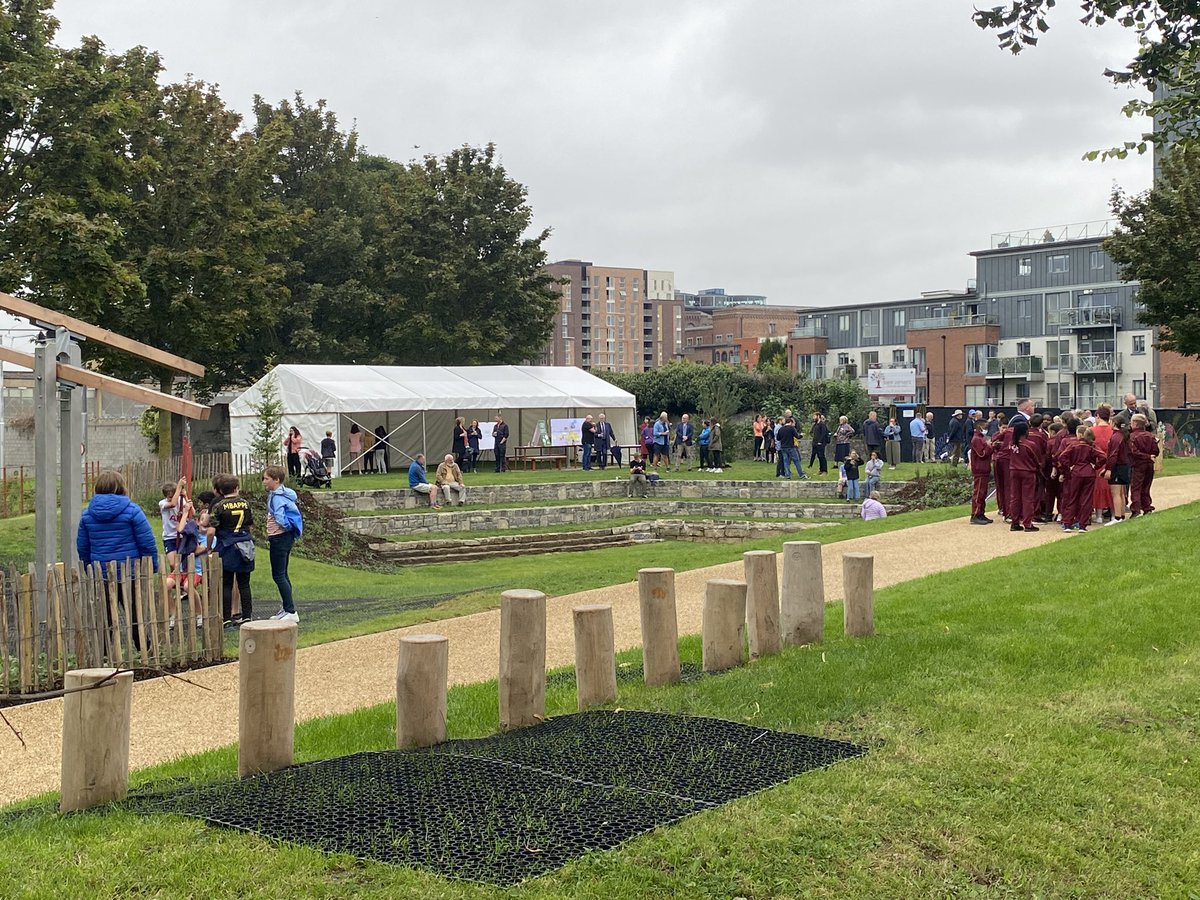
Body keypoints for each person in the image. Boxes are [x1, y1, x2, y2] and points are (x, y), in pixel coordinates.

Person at [77, 470, 159, 651]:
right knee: (135, 612)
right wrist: (152, 565)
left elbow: (83, 546)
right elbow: (146, 541)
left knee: (105, 614)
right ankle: (143, 649)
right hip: (130, 570)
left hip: (102, 572)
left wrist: (89, 567)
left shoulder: (87, 514)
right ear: (121, 487)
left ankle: (105, 653)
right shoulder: (132, 510)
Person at [208, 473, 255, 625]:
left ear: (221, 490)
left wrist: (209, 547)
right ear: (236, 487)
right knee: (244, 583)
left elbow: (212, 528)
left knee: (227, 583)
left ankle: (226, 618)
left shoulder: (219, 506)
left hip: (227, 545)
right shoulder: (245, 503)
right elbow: (250, 523)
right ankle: (247, 615)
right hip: (245, 544)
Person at [262, 464, 302, 623]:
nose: (264, 481)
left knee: (278, 574)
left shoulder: (277, 497)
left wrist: (284, 528)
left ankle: (291, 610)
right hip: (285, 537)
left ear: (276, 480)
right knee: (283, 573)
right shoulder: (285, 493)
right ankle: (287, 607)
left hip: (279, 537)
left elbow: (279, 516)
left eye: (266, 478)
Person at [1058, 427, 1104, 532]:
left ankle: (1067, 523)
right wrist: (1095, 466)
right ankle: (1082, 524)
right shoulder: (1092, 446)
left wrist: (1068, 467)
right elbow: (1103, 456)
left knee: (1072, 497)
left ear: (1080, 435)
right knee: (1086, 499)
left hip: (1076, 473)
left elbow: (1062, 456)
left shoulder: (1073, 445)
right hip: (1089, 473)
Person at [1007, 420, 1042, 532]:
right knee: (1027, 498)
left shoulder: (1011, 444)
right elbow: (1037, 460)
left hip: (1013, 471)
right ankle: (1027, 523)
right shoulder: (1030, 445)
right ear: (1025, 431)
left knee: (1015, 498)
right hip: (1027, 471)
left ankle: (1015, 522)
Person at [1128, 413, 1159, 516]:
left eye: (1132, 422)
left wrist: (1145, 456)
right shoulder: (1150, 436)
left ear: (1135, 424)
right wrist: (1150, 456)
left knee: (1136, 487)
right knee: (1146, 486)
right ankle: (1147, 507)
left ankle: (1136, 509)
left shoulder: (1132, 436)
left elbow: (1134, 452)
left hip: (1138, 465)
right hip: (1149, 465)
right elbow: (1156, 451)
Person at [1104, 415, 1132, 525]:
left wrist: (1108, 469)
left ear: (1115, 423)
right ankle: (1121, 515)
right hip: (1124, 466)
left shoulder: (1115, 437)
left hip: (1117, 466)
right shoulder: (1124, 436)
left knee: (1115, 493)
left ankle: (1117, 517)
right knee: (1120, 492)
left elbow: (1113, 454)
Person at [1089, 404, 1114, 523]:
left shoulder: (1092, 431)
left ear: (1098, 416)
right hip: (1112, 462)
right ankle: (1114, 514)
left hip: (1098, 463)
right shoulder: (1113, 430)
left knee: (1098, 488)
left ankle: (1099, 515)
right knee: (1114, 489)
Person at [158, 477, 186, 578]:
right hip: (169, 537)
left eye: (173, 496)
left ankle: (179, 583)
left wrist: (185, 496)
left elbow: (191, 511)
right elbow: (173, 504)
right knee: (172, 564)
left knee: (181, 564)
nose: (171, 498)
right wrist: (179, 486)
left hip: (181, 536)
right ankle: (175, 580)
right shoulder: (162, 503)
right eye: (169, 497)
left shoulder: (181, 501)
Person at [968, 420, 994, 525]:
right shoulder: (976, 439)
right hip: (979, 469)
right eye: (985, 426)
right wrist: (989, 446)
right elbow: (982, 454)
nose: (986, 428)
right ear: (979, 427)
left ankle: (981, 513)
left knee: (983, 493)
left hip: (984, 469)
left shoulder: (980, 438)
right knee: (978, 493)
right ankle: (975, 514)